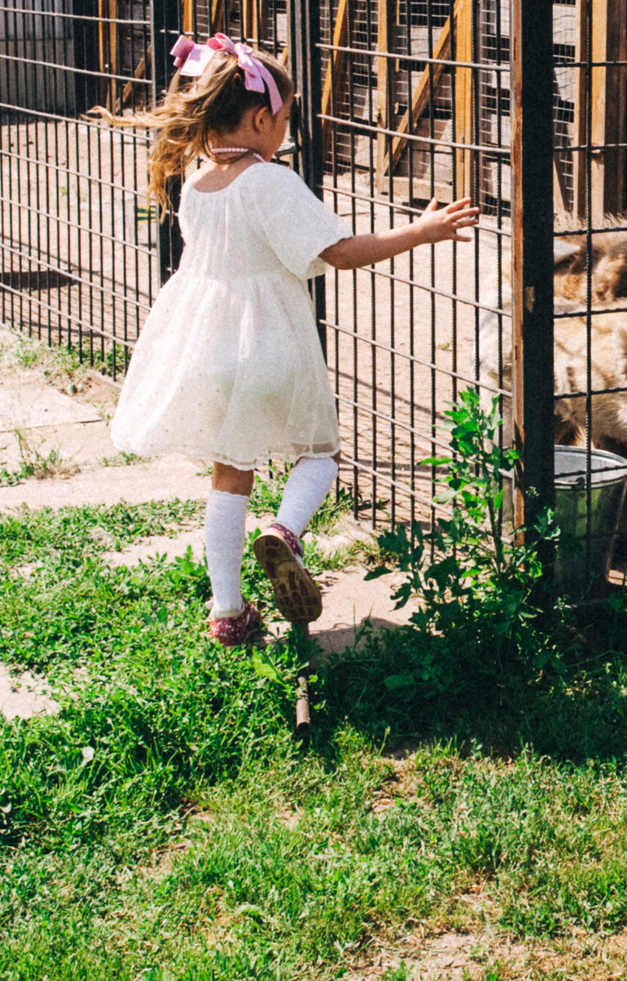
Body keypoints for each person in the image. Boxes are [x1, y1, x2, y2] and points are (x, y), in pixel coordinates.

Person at [106, 33, 478, 646]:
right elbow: (337, 251)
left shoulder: (198, 181)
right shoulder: (268, 182)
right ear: (259, 119)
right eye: (284, 117)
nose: (286, 129)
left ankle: (227, 611)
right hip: (270, 345)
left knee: (231, 472)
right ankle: (285, 532)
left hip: (209, 347)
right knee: (320, 455)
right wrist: (421, 231)